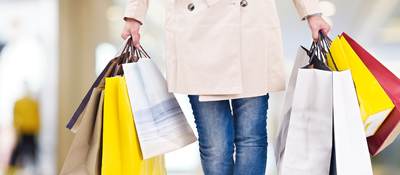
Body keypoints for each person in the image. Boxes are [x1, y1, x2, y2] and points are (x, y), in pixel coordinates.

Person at [121, 0, 330, 174]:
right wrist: (134, 15)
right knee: (215, 145)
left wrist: (311, 11)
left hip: (250, 28)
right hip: (196, 30)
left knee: (251, 137)